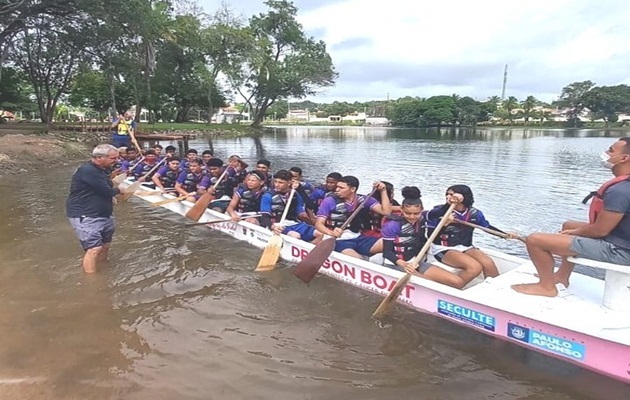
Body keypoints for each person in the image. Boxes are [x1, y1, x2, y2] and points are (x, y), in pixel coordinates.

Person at [513, 138, 630, 297]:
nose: (606, 153)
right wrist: (574, 230)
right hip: (621, 239)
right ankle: (561, 277)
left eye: (611, 150)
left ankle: (546, 287)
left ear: (624, 158)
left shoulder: (621, 190)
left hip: (621, 251)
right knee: (569, 225)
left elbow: (600, 231)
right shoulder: (623, 186)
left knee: (535, 240)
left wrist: (578, 232)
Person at [381, 186, 466, 288]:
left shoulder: (422, 218)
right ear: (401, 209)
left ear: (422, 210)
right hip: (396, 264)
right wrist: (404, 265)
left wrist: (450, 204)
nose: (412, 217)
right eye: (408, 213)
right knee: (433, 286)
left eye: (416, 213)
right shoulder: (392, 225)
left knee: (457, 282)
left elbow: (440, 212)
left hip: (416, 262)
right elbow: (387, 252)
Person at [66, 144, 130, 273]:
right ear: (100, 157)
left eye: (117, 158)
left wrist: (113, 179)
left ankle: (103, 266)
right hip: (86, 214)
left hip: (104, 213)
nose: (117, 161)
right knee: (94, 249)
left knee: (105, 245)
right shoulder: (88, 170)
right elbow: (106, 191)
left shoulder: (102, 169)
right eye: (113, 158)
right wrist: (120, 190)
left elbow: (106, 183)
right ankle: (92, 283)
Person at [425, 185, 505, 283]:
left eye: (452, 195)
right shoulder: (439, 212)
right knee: (474, 267)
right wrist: (445, 224)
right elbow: (430, 237)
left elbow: (486, 227)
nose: (448, 197)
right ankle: (454, 289)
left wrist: (504, 235)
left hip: (466, 247)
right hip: (443, 248)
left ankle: (495, 289)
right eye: (447, 194)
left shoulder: (475, 213)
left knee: (488, 263)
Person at [315, 176, 391, 258]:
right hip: (338, 240)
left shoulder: (364, 200)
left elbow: (386, 212)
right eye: (337, 187)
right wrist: (331, 233)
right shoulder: (329, 201)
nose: (337, 189)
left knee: (388, 243)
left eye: (341, 188)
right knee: (358, 258)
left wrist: (383, 191)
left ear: (352, 189)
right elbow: (319, 224)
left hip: (357, 237)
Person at [260, 170, 322, 243]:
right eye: (275, 182)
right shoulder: (268, 196)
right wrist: (272, 226)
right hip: (278, 224)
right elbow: (264, 216)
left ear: (289, 183)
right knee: (296, 236)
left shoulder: (294, 194)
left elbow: (310, 205)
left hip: (293, 223)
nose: (276, 185)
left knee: (320, 234)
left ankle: (310, 249)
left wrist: (300, 188)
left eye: (281, 182)